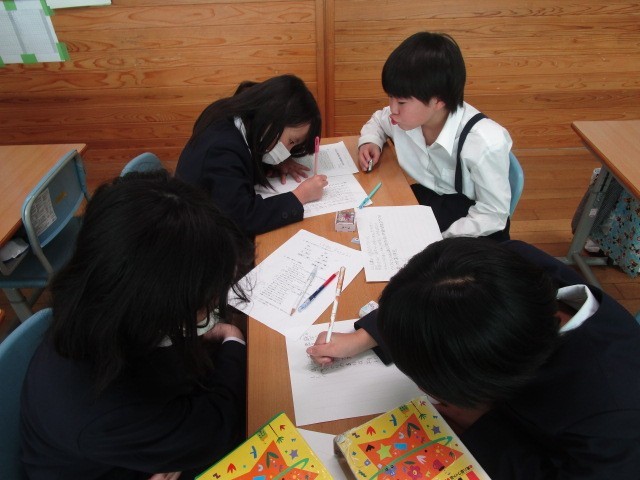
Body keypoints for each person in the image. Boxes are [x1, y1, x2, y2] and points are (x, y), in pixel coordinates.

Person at [307, 238, 640, 479]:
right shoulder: (507, 263)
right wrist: (368, 335)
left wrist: (483, 423)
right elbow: (434, 295)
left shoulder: (613, 426)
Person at [20, 171, 255, 480]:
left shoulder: (102, 305)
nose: (214, 306)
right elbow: (213, 429)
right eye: (206, 300)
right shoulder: (104, 408)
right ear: (155, 306)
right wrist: (234, 339)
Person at [358, 32, 513, 240]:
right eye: (390, 97)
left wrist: (439, 241)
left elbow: (492, 215)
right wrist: (370, 141)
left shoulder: (483, 142)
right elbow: (378, 120)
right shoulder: (406, 118)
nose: (393, 108)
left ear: (438, 101)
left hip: (475, 228)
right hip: (434, 201)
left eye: (401, 102)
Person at [176, 74, 328, 238]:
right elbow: (242, 218)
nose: (288, 151)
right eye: (291, 141)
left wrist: (274, 162)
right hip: (199, 237)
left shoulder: (230, 115)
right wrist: (300, 195)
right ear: (272, 119)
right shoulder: (222, 151)